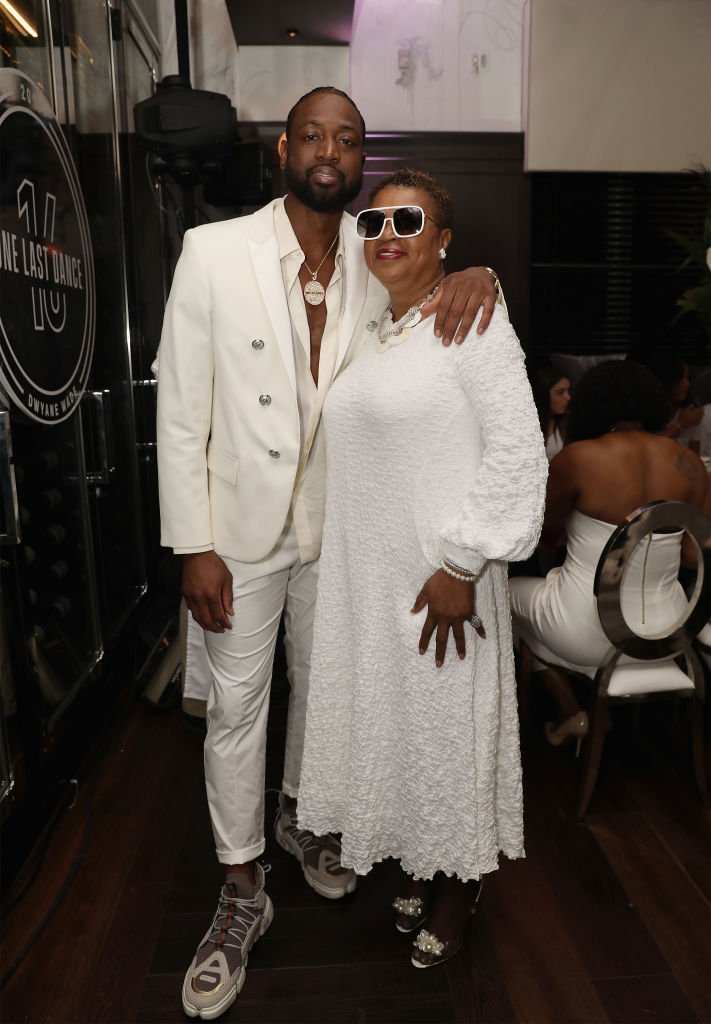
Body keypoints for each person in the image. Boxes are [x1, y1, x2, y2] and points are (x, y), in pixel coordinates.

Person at [156, 87, 501, 1019]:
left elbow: (435, 292)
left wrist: (485, 278)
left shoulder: (373, 250)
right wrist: (194, 542)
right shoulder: (214, 251)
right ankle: (238, 888)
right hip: (238, 532)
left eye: (346, 139)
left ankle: (304, 817)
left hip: (341, 529)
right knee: (236, 706)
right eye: (312, 134)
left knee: (329, 685)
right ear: (281, 149)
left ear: (359, 158)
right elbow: (181, 408)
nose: (328, 150)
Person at [296, 169, 547, 969]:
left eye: (410, 220)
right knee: (400, 730)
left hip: (443, 580)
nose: (387, 234)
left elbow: (517, 451)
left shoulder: (470, 322)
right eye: (374, 220)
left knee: (446, 729)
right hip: (370, 580)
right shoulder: (377, 328)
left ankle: (458, 886)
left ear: (443, 241)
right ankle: (418, 855)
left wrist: (463, 561)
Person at [509, 360, 709, 750]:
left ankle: (571, 711)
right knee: (543, 616)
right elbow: (690, 558)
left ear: (594, 404)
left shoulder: (581, 458)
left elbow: (530, 533)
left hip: (587, 630)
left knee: (503, 599)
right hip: (669, 633)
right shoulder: (690, 466)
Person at [532, 366, 570, 460]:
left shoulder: (567, 424)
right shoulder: (527, 428)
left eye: (568, 391)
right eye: (560, 392)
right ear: (543, 395)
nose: (568, 397)